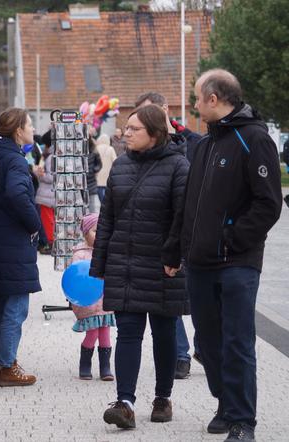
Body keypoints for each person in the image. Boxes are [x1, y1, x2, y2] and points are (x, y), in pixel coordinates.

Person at [180, 69, 282, 441]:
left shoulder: (254, 139)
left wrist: (231, 238)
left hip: (237, 262)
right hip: (200, 262)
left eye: (196, 98)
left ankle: (242, 421)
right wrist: (179, 249)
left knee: (237, 341)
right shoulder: (205, 145)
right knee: (207, 342)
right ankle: (225, 402)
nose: (193, 105)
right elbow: (190, 206)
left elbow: (268, 204)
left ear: (214, 99)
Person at [90, 104, 190, 429]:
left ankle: (163, 397)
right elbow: (107, 220)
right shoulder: (119, 166)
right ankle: (125, 403)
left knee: (163, 334)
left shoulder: (178, 167)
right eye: (127, 128)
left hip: (163, 267)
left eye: (134, 129)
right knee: (128, 333)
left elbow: (182, 219)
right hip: (125, 264)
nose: (126, 133)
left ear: (156, 134)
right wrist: (101, 263)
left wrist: (175, 258)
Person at [135, 91, 201, 380]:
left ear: (165, 110)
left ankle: (206, 347)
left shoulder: (195, 143)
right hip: (159, 237)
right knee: (169, 299)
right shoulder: (139, 152)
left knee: (201, 300)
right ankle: (181, 354)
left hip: (196, 232)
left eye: (150, 113)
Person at [0, 108, 41, 387]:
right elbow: (17, 194)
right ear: (18, 131)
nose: (33, 129)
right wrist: (34, 224)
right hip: (14, 241)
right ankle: (7, 365)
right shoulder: (14, 161)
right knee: (15, 307)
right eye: (29, 124)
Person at [68, 213, 115, 381]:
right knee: (92, 333)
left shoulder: (108, 252)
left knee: (105, 334)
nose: (100, 235)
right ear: (86, 232)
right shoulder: (80, 255)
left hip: (106, 302)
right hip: (89, 303)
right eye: (96, 231)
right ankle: (85, 364)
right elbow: (75, 279)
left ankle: (105, 367)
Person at [34, 131, 55, 255]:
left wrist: (41, 175)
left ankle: (50, 244)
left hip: (46, 195)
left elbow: (52, 177)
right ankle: (50, 243)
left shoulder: (51, 157)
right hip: (49, 194)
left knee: (47, 220)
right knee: (49, 219)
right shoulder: (53, 155)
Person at [94, 134, 117, 203]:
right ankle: (106, 202)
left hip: (98, 171)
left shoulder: (96, 148)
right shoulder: (110, 149)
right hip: (108, 171)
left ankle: (102, 201)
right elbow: (115, 160)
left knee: (99, 187)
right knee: (107, 187)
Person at [86, 137, 102, 214]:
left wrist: (93, 170)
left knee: (91, 203)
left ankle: (91, 221)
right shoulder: (77, 150)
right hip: (79, 181)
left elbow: (99, 164)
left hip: (91, 181)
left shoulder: (94, 152)